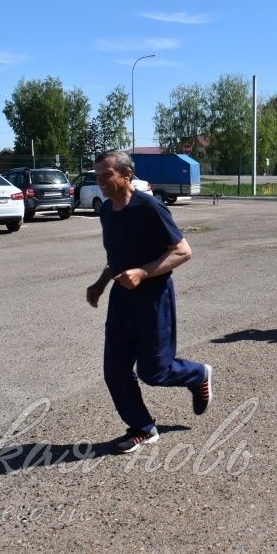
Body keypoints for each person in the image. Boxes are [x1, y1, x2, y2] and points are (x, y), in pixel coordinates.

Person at [85, 150, 212, 453]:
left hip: (154, 299)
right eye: (97, 176)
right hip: (122, 300)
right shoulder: (106, 211)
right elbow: (117, 258)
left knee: (154, 372)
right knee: (114, 370)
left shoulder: (150, 207)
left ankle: (198, 374)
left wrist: (143, 272)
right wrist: (101, 283)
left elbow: (183, 251)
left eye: (107, 175)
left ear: (126, 175)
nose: (101, 182)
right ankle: (142, 428)